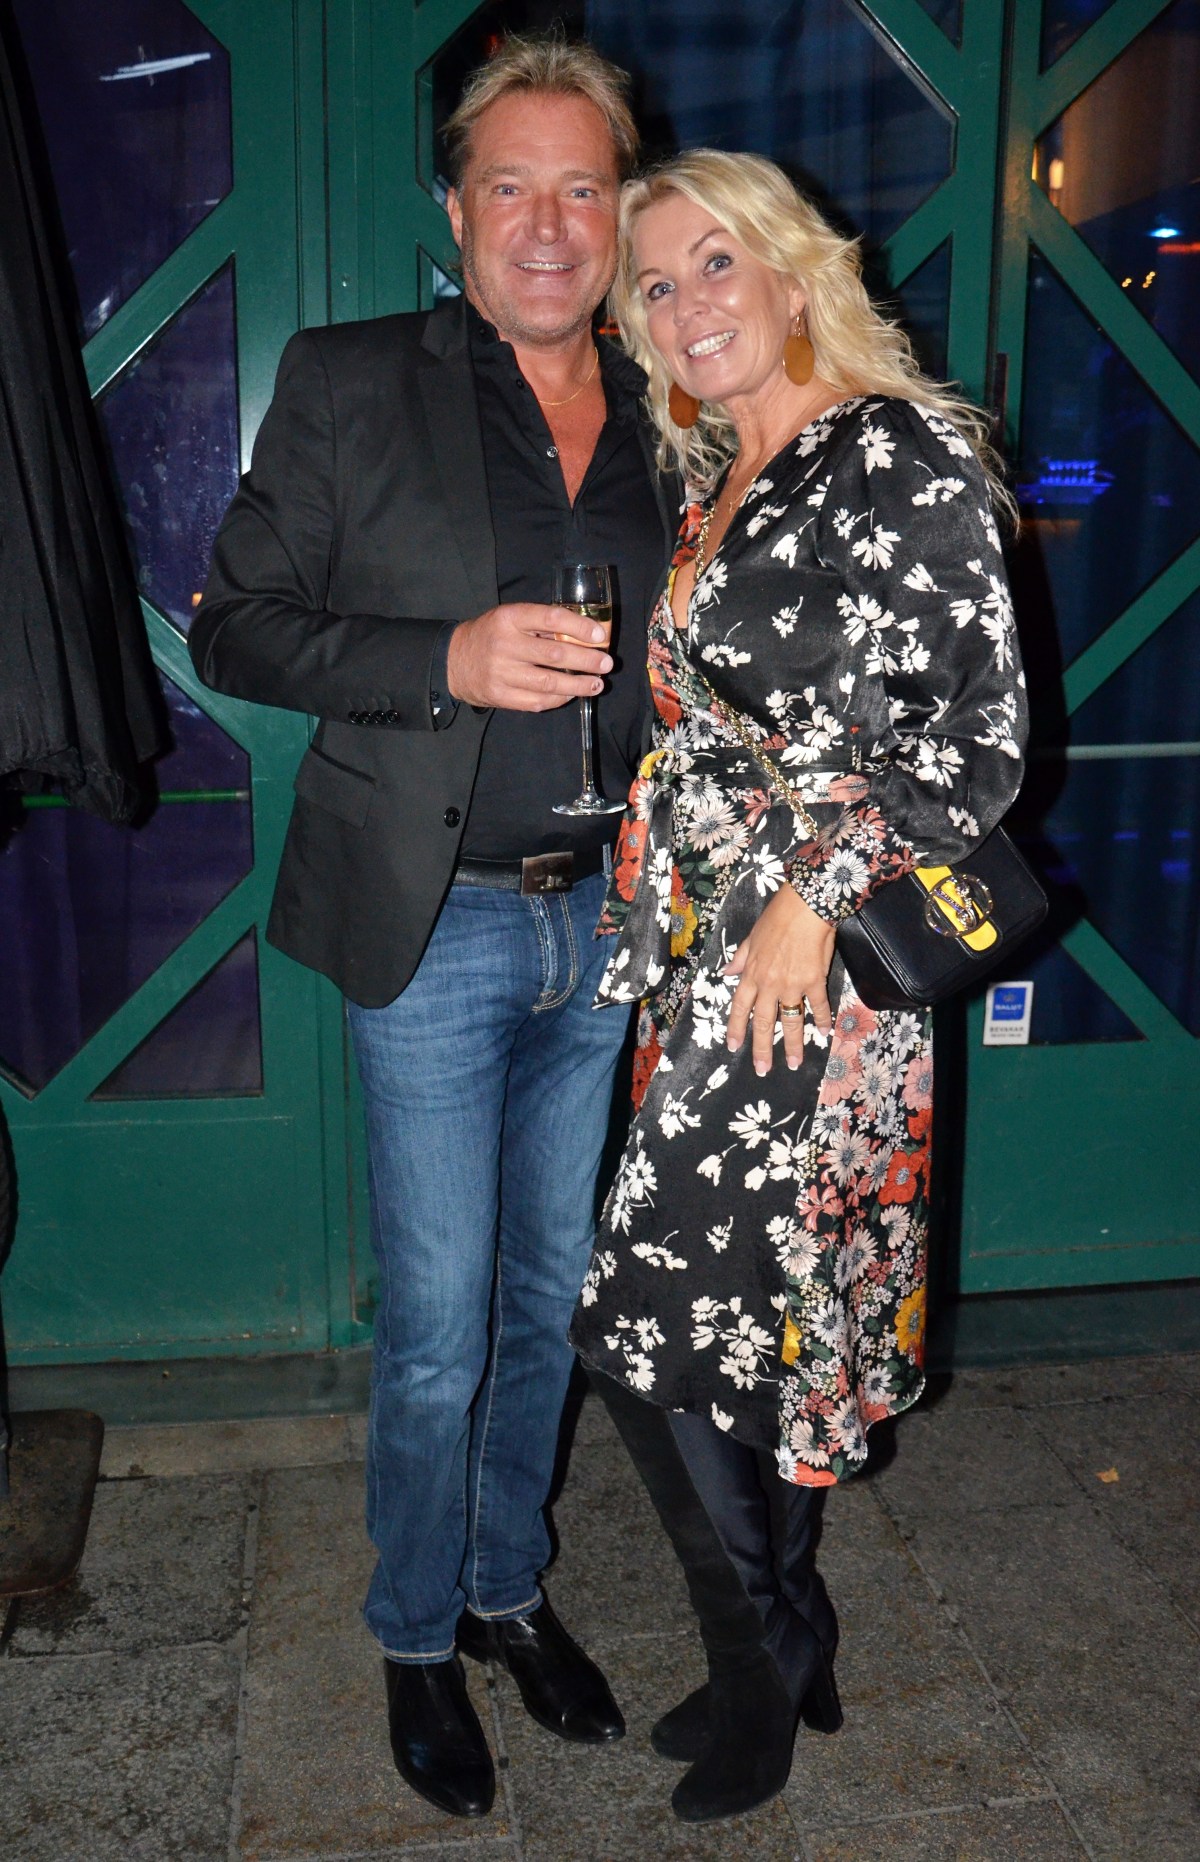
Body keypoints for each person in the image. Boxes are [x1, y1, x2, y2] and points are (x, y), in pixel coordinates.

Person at [189, 37, 680, 1821]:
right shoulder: (345, 381)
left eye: (583, 188)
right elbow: (233, 626)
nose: (548, 225)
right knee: (438, 1326)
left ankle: (502, 1588)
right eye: (510, 187)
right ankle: (410, 1628)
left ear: (620, 209)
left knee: (550, 1298)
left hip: (607, 919)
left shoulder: (673, 395)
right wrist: (443, 662)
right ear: (454, 211)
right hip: (440, 923)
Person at [570, 149, 1029, 1824]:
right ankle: (789, 1633)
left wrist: (811, 903)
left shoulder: (891, 450)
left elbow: (979, 742)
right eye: (657, 283)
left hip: (806, 982)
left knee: (639, 1327)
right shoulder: (727, 470)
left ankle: (762, 1651)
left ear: (790, 268)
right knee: (752, 1323)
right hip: (707, 955)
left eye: (717, 262)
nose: (688, 304)